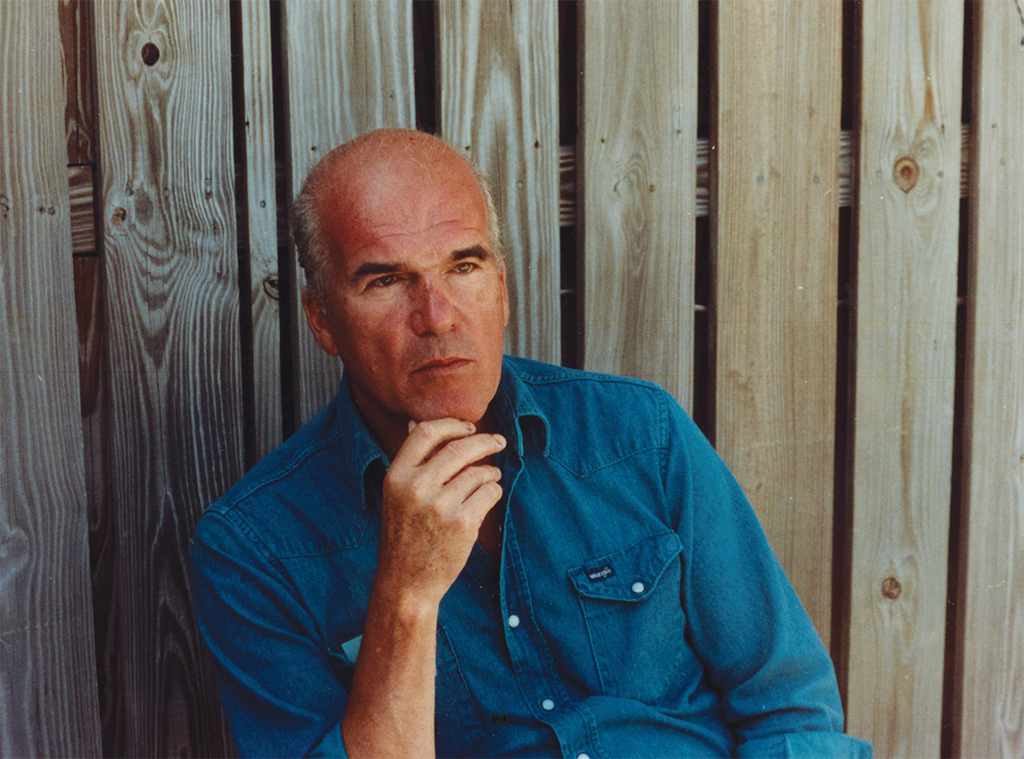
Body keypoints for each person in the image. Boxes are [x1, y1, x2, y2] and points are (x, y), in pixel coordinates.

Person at [190, 128, 872, 758]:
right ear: (323, 320)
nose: (436, 315)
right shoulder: (254, 550)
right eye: (387, 280)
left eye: (463, 266)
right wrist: (406, 596)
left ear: (502, 288)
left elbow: (788, 702)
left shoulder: (639, 436)